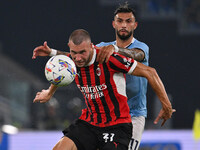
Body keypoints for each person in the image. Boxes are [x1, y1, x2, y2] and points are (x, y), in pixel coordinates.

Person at [32, 3, 161, 150]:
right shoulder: (102, 49)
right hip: (99, 116)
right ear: (114, 24)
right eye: (120, 21)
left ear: (135, 25)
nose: (124, 25)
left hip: (132, 114)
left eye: (128, 21)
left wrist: (116, 50)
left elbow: (139, 57)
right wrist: (53, 53)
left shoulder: (138, 47)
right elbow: (76, 57)